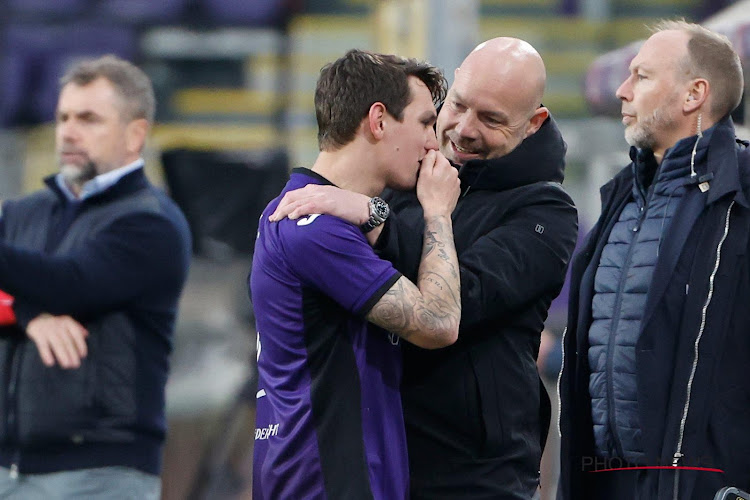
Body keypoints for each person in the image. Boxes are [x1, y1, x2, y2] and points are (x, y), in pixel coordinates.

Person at [270, 38, 578, 499]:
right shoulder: (406, 177)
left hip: (475, 474)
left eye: (491, 119)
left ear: (533, 123)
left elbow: (462, 298)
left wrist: (376, 218)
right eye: (458, 105)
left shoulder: (546, 212)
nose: (464, 129)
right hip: (380, 456)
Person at [250, 49, 462, 500]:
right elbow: (439, 323)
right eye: (426, 123)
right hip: (329, 483)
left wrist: (371, 210)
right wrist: (438, 214)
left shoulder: (304, 213)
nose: (434, 141)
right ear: (379, 121)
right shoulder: (316, 230)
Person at [558, 20, 749, 499]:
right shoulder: (621, 195)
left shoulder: (742, 193)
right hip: (606, 480)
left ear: (693, 95)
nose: (622, 91)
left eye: (641, 77)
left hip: (707, 485)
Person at [0, 55, 191, 499]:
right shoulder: (23, 214)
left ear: (135, 134)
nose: (67, 131)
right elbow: (43, 289)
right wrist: (31, 316)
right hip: (8, 468)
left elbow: (71, 284)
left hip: (100, 473)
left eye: (88, 119)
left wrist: (24, 303)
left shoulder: (152, 222)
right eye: (63, 117)